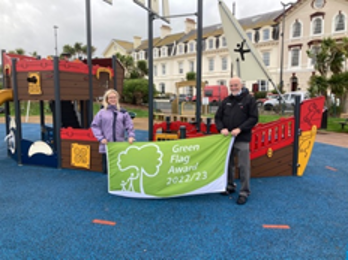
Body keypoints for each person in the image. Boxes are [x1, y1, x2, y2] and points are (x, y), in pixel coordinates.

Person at [214, 77, 258, 205]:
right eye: (231, 85)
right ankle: (230, 185)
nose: (233, 88)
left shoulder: (249, 100)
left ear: (241, 85)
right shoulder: (226, 101)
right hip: (227, 140)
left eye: (236, 85)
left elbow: (253, 118)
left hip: (242, 138)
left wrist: (240, 129)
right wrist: (221, 128)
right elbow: (218, 118)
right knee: (228, 164)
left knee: (244, 166)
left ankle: (244, 191)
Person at [91, 89, 135, 173]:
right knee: (107, 170)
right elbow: (95, 126)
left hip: (119, 144)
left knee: (119, 168)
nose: (113, 99)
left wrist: (131, 136)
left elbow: (129, 125)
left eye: (114, 97)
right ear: (107, 99)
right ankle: (108, 186)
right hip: (106, 144)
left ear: (117, 99)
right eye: (110, 98)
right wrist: (101, 138)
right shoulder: (102, 112)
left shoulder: (123, 112)